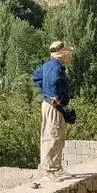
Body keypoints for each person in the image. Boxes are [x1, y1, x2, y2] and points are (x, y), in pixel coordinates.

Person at [32, 41, 74, 180]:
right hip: (54, 105)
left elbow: (36, 76)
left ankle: (55, 167)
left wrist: (46, 90)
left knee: (52, 135)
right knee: (54, 136)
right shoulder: (57, 68)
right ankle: (51, 170)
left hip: (48, 103)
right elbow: (55, 82)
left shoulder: (47, 65)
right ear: (62, 54)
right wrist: (58, 98)